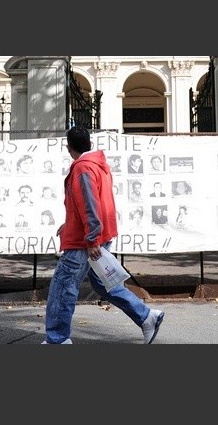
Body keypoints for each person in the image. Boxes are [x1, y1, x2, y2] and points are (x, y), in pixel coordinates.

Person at [43, 126, 163, 345]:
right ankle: (147, 317)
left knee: (63, 286)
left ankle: (57, 340)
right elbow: (91, 201)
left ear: (68, 148)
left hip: (85, 240)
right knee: (105, 284)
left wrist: (91, 239)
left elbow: (89, 204)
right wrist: (71, 224)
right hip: (98, 235)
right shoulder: (98, 164)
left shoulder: (83, 167)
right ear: (89, 143)